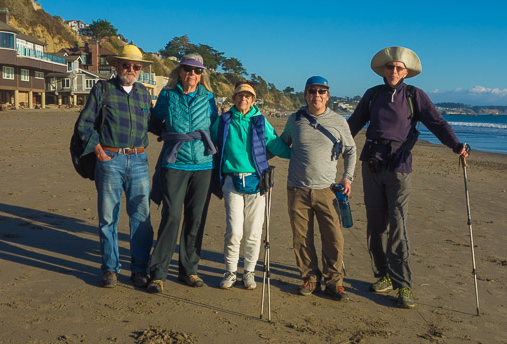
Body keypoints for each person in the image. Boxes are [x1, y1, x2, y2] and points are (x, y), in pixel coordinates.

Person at [347, 46, 470, 309]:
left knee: (398, 226)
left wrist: (456, 145)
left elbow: (437, 123)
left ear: (406, 72)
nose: (393, 71)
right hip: (371, 165)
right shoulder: (372, 95)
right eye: (390, 67)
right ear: (383, 70)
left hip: (400, 166)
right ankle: (383, 276)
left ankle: (403, 286)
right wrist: (330, 146)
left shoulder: (415, 95)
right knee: (375, 226)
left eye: (398, 68)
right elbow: (352, 125)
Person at [76, 44, 154, 288]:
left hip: (140, 160)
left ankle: (139, 269)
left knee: (141, 218)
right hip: (110, 160)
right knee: (108, 217)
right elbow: (84, 124)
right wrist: (98, 149)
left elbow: (155, 124)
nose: (131, 69)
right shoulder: (103, 89)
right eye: (126, 65)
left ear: (141, 69)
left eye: (136, 66)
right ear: (117, 66)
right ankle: (110, 269)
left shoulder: (143, 93)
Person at [279, 76, 357, 301]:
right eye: (312, 91)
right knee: (301, 237)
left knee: (334, 237)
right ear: (305, 95)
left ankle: (335, 282)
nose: (317, 96)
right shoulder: (295, 119)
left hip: (327, 190)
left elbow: (351, 150)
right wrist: (255, 157)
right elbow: (282, 143)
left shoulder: (339, 121)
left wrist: (347, 178)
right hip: (297, 189)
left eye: (321, 92)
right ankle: (310, 278)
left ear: (328, 96)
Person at [147, 53, 219, 293]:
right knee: (172, 216)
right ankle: (158, 273)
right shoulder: (167, 95)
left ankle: (189, 270)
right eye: (188, 69)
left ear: (202, 75)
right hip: (174, 163)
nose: (192, 74)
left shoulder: (209, 98)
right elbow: (155, 122)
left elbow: (216, 128)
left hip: (203, 166)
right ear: (179, 71)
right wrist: (171, 135)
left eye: (197, 71)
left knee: (196, 218)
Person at [210, 82, 290, 290]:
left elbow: (275, 144)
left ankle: (249, 272)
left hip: (257, 182)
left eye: (248, 96)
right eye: (239, 95)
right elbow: (208, 141)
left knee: (254, 231)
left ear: (253, 100)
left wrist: (299, 154)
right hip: (231, 181)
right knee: (234, 231)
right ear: (234, 98)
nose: (243, 99)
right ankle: (230, 271)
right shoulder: (223, 120)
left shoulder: (260, 121)